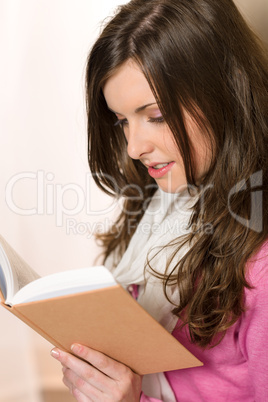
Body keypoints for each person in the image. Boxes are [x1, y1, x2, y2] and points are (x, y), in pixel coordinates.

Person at [50, 0, 268, 400]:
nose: (133, 147)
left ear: (226, 93)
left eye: (156, 115)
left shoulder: (262, 265)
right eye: (121, 121)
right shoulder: (165, 203)